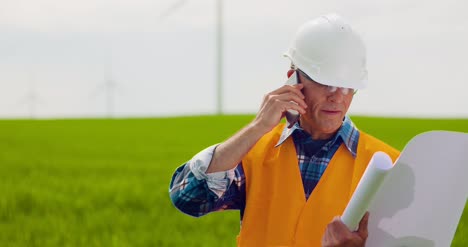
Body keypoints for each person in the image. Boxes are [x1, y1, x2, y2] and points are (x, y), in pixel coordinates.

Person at [169, 13, 400, 247]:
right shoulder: (253, 153)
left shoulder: (390, 165)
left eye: (347, 86)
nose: (337, 96)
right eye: (325, 82)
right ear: (293, 80)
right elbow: (189, 197)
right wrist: (257, 127)